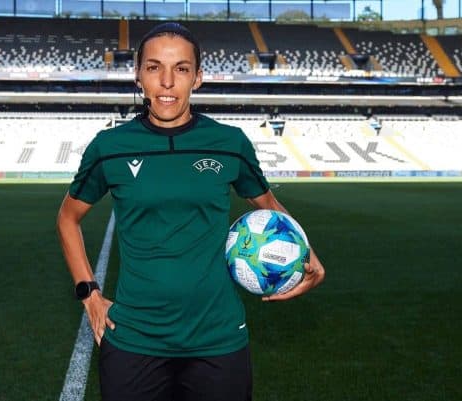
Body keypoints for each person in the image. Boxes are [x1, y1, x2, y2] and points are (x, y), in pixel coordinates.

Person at [57, 22, 325, 401]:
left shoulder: (229, 144)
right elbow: (67, 217)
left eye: (181, 69)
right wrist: (89, 294)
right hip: (134, 338)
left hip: (218, 339)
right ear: (138, 76)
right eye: (154, 67)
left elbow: (268, 206)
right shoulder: (110, 147)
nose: (167, 81)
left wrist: (305, 250)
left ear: (197, 78)